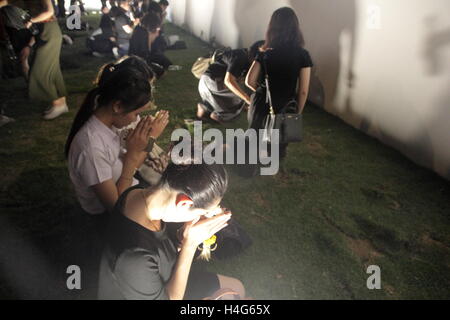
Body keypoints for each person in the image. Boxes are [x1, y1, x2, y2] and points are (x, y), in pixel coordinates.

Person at [97, 161, 246, 300]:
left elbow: (158, 249)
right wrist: (190, 245)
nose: (200, 217)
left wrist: (180, 239)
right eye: (200, 213)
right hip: (164, 291)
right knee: (234, 294)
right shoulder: (133, 258)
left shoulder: (138, 194)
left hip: (165, 273)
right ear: (184, 204)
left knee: (237, 288)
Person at [65, 56, 170, 216]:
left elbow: (134, 164)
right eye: (136, 113)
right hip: (109, 214)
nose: (136, 119)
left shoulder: (111, 126)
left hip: (130, 188)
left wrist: (150, 140)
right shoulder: (91, 148)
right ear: (118, 106)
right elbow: (116, 208)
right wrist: (132, 156)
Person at [245, 7, 313, 160]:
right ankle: (272, 163)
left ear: (272, 28)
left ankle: (254, 163)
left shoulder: (265, 52)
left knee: (256, 140)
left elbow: (249, 81)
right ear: (296, 28)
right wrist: (297, 113)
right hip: (285, 105)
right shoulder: (303, 55)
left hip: (262, 104)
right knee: (279, 143)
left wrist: (262, 90)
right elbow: (303, 91)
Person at [197, 40, 264, 123]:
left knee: (235, 101)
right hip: (212, 82)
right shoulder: (241, 57)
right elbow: (229, 81)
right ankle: (217, 115)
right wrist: (247, 99)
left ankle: (205, 108)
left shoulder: (245, 58)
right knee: (239, 101)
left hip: (206, 83)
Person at [24, 0, 69, 120]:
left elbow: (49, 11)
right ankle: (61, 104)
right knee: (53, 70)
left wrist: (31, 20)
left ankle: (58, 103)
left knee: (39, 70)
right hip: (43, 32)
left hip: (49, 31)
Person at [129, 11, 166, 77]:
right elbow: (143, 55)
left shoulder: (141, 30)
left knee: (163, 60)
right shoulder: (143, 33)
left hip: (139, 60)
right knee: (160, 71)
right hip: (137, 63)